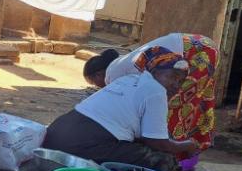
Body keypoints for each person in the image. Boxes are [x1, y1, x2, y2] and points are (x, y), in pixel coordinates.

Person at [44, 47, 198, 171]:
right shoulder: (156, 91)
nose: (176, 84)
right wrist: (188, 145)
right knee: (164, 159)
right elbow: (158, 143)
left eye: (180, 81)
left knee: (138, 150)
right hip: (79, 145)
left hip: (54, 136)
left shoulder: (128, 79)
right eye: (172, 76)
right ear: (154, 72)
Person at [83, 33, 219, 159]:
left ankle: (175, 155)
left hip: (196, 51)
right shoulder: (120, 66)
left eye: (94, 83)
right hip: (199, 44)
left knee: (176, 106)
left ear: (98, 75)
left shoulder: (111, 77)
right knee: (185, 102)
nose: (98, 88)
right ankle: (181, 149)